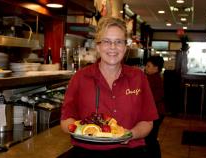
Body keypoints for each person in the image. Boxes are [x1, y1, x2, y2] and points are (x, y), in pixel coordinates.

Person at [59, 17, 158, 158]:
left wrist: (130, 134)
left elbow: (147, 121)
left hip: (130, 152)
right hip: (87, 152)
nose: (113, 47)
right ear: (98, 46)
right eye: (106, 41)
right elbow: (66, 120)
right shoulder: (80, 78)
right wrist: (83, 131)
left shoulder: (138, 77)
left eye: (119, 42)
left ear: (125, 46)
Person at [144, 55, 165, 158]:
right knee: (151, 138)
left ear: (156, 68)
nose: (145, 68)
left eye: (148, 66)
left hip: (156, 112)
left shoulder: (153, 79)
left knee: (150, 139)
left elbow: (154, 97)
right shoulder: (153, 77)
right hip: (158, 112)